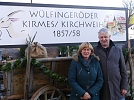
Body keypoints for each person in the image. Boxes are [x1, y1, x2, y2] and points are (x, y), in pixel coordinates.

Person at [94, 28, 128, 100]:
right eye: (101, 37)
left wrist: (124, 86)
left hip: (117, 88)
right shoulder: (95, 51)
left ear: (109, 36)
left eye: (105, 37)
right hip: (102, 89)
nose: (103, 39)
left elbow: (123, 70)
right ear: (98, 38)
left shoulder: (117, 50)